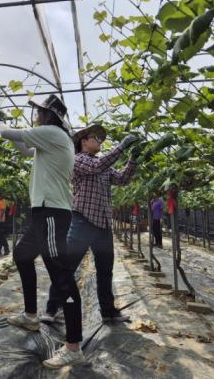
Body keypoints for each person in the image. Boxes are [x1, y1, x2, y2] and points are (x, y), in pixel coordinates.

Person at [0, 94, 84, 369]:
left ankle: (73, 346)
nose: (36, 115)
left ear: (49, 116)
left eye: (40, 112)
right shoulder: (50, 140)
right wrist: (13, 131)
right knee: (22, 255)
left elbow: (8, 133)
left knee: (61, 275)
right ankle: (31, 315)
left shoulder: (54, 133)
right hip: (42, 212)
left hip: (53, 214)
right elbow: (24, 149)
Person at [41, 124, 138, 324]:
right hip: (82, 220)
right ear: (83, 141)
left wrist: (133, 159)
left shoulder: (103, 165)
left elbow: (122, 179)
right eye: (95, 138)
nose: (99, 141)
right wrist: (122, 146)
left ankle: (108, 312)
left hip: (103, 224)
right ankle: (51, 308)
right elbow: (97, 166)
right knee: (67, 266)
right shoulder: (77, 160)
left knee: (105, 270)